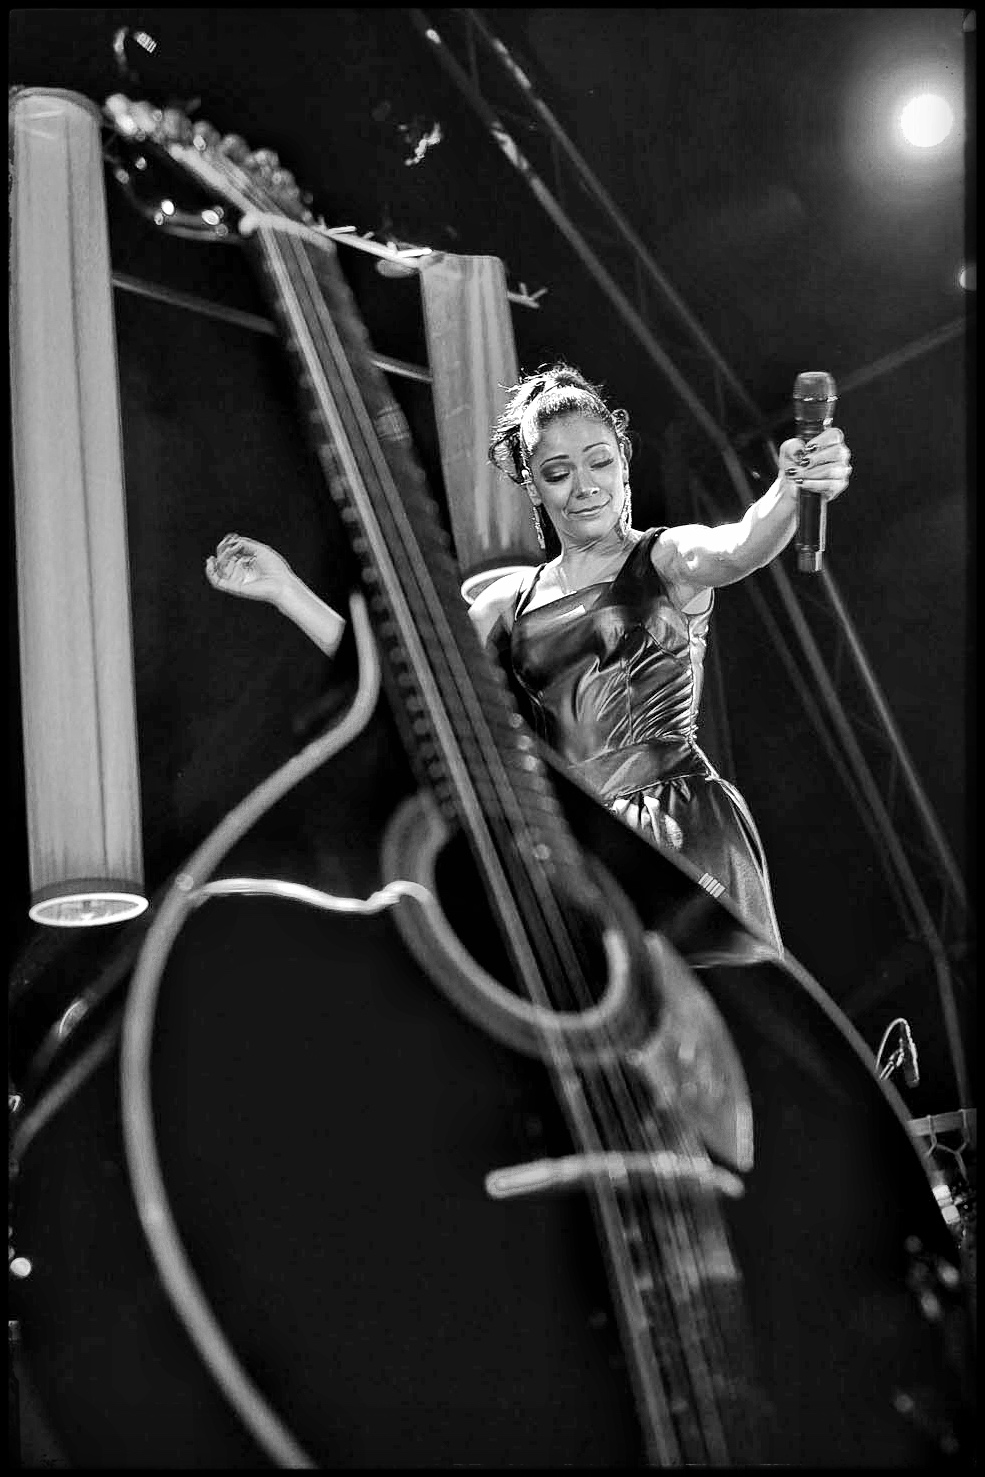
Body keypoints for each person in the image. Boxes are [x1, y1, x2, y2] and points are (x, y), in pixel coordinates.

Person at [206, 362, 852, 956]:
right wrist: (285, 590)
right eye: (557, 472)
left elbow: (738, 547)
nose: (584, 486)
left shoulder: (663, 557)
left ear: (623, 459)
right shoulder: (507, 602)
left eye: (598, 462)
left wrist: (790, 488)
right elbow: (404, 676)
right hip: (579, 848)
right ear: (532, 485)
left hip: (679, 825)